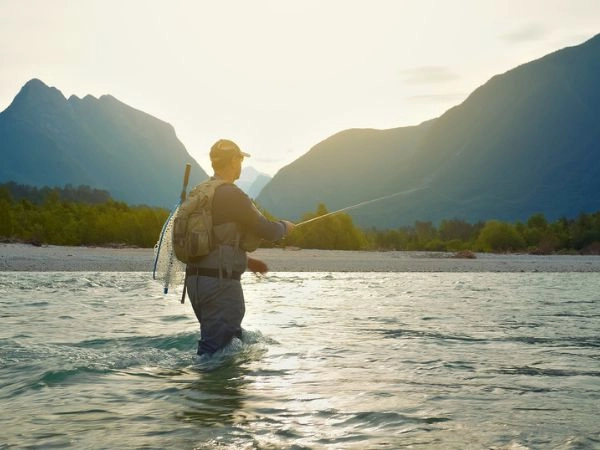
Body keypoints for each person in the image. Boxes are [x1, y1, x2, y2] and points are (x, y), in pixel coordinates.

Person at [185, 138, 295, 357]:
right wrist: (285, 227)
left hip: (196, 283)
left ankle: (222, 386)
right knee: (213, 355)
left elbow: (213, 241)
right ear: (234, 160)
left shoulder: (202, 192)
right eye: (240, 159)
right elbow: (267, 230)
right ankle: (203, 389)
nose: (241, 164)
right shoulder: (231, 194)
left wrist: (247, 262)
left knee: (233, 341)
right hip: (220, 286)